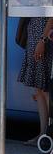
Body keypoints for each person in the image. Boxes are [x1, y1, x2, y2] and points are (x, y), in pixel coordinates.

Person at [18, 16, 53, 144]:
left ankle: (49, 134)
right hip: (35, 37)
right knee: (39, 90)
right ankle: (43, 134)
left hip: (44, 38)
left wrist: (42, 40)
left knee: (45, 90)